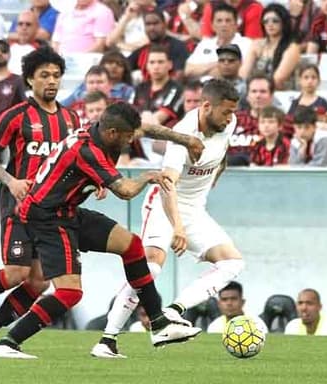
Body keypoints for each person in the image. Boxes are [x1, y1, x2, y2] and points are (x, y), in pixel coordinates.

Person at [0, 47, 205, 352]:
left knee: (41, 280)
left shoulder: (70, 118)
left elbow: (87, 157)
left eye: (56, 75)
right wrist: (11, 180)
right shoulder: (16, 116)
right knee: (20, 273)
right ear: (29, 79)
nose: (52, 81)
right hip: (22, 207)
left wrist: (95, 180)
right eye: (44, 75)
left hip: (63, 209)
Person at [0, 102, 203, 359]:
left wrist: (187, 140)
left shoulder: (103, 131)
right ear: (112, 133)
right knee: (69, 293)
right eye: (127, 137)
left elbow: (145, 129)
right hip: (47, 219)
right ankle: (7, 343)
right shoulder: (88, 151)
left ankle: (158, 324)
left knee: (131, 245)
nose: (131, 140)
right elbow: (125, 192)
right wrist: (147, 176)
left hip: (67, 211)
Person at [91, 79, 244, 359]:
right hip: (163, 205)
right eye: (225, 112)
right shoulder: (183, 134)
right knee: (150, 268)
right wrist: (178, 228)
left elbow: (222, 154)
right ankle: (107, 339)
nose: (230, 118)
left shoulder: (228, 124)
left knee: (232, 262)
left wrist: (215, 178)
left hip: (195, 209)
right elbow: (167, 184)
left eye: (233, 112)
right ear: (206, 106)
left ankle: (173, 312)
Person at [229, 73, 293, 166]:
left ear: (271, 95)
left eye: (263, 91)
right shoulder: (232, 120)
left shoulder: (285, 122)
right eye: (254, 91)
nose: (258, 96)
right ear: (247, 96)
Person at [239, 3, 301, 90]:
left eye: (275, 21)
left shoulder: (292, 47)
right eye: (266, 21)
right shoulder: (257, 44)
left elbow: (278, 79)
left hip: (281, 94)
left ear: (284, 22)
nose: (270, 24)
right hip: (255, 92)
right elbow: (243, 74)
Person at [184, 3, 253, 78]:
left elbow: (243, 74)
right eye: (219, 21)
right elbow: (188, 70)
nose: (223, 24)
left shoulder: (247, 44)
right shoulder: (205, 43)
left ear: (236, 24)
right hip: (202, 87)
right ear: (212, 25)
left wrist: (203, 70)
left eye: (228, 20)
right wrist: (216, 64)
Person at [127, 9, 190, 81]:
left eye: (155, 23)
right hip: (145, 89)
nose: (152, 28)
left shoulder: (178, 46)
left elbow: (179, 75)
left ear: (164, 24)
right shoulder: (143, 50)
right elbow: (124, 66)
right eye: (148, 24)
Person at [51, 0, 115, 54]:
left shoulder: (102, 11)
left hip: (88, 61)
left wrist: (78, 59)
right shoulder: (65, 11)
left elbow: (100, 45)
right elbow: (55, 40)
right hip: (62, 60)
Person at [199, 0, 263, 40]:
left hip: (242, 54)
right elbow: (206, 39)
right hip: (215, 52)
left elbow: (252, 44)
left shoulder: (253, 7)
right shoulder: (211, 6)